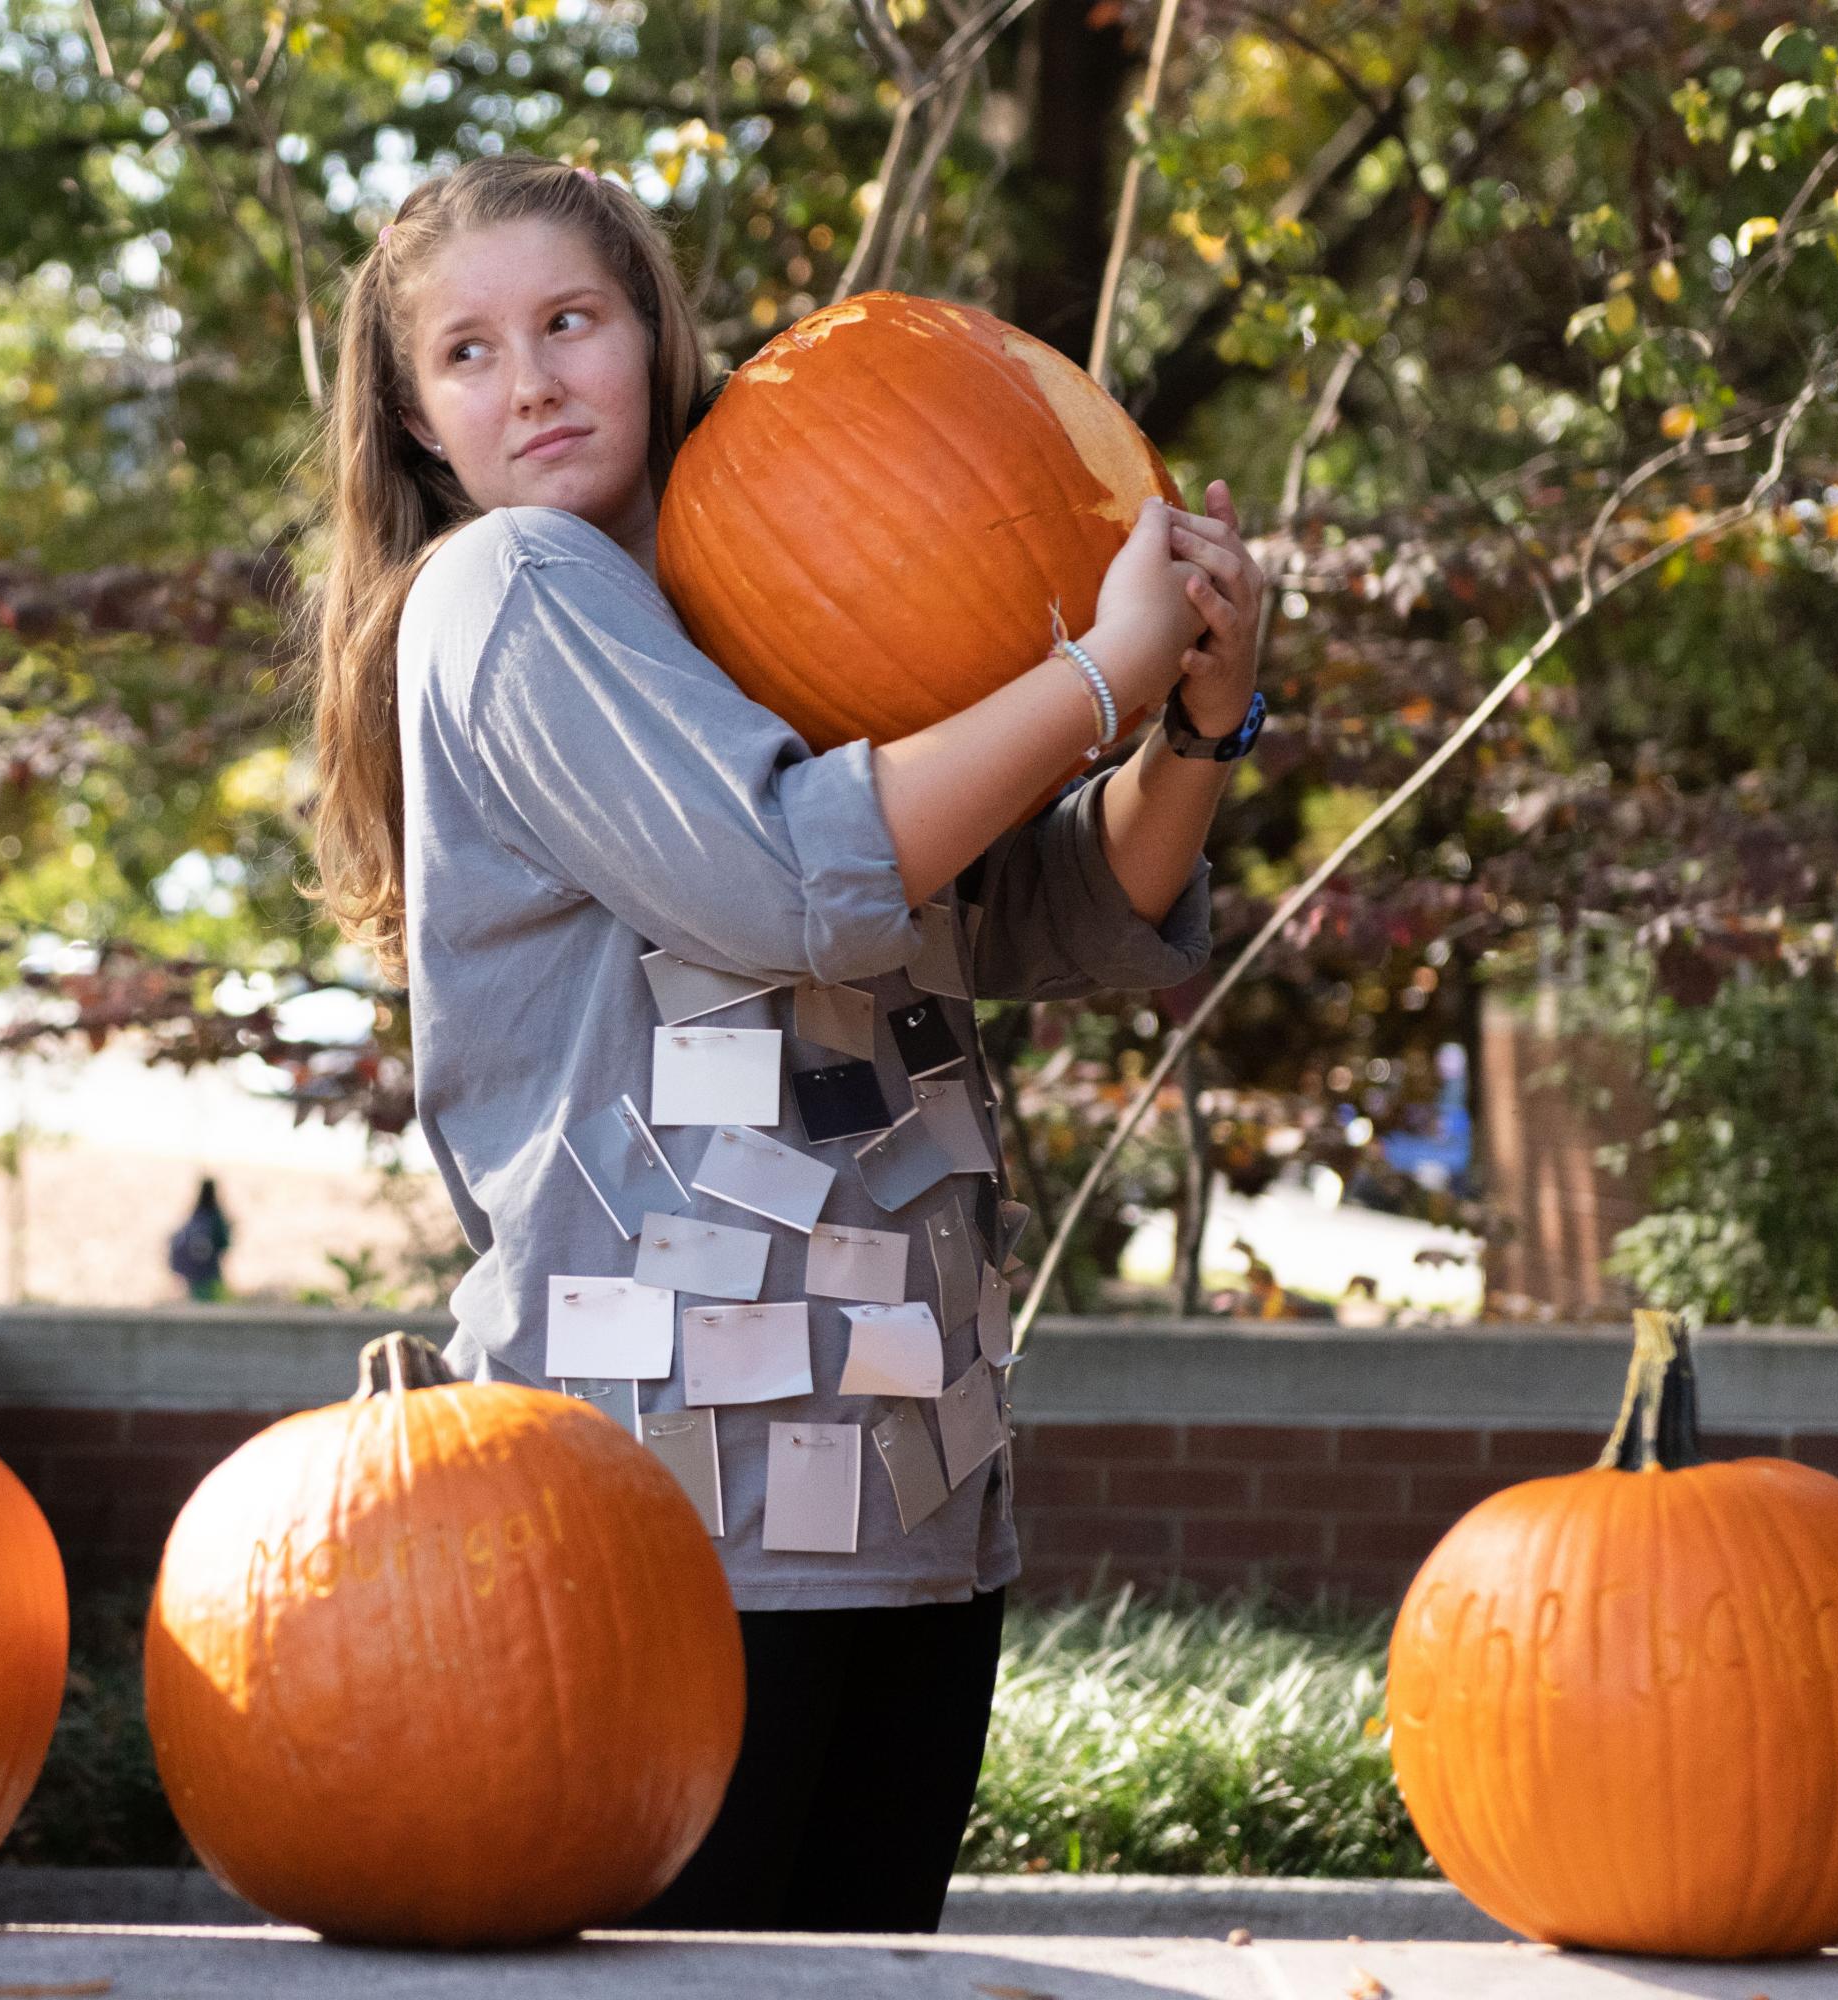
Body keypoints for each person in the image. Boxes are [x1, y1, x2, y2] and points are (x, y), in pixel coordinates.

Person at [296, 156, 1267, 1933]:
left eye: (569, 323)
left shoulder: (781, 594)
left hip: (912, 1485)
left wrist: (1197, 729)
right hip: (658, 1498)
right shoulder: (511, 590)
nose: (529, 383)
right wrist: (1097, 680)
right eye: (466, 353)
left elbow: (1041, 912)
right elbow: (779, 883)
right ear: (418, 423)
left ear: (657, 339)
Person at [166, 1177, 231, 1301]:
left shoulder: (196, 1215)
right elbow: (224, 1243)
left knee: (198, 1301)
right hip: (211, 1272)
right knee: (214, 1304)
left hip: (193, 1274)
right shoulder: (215, 1218)